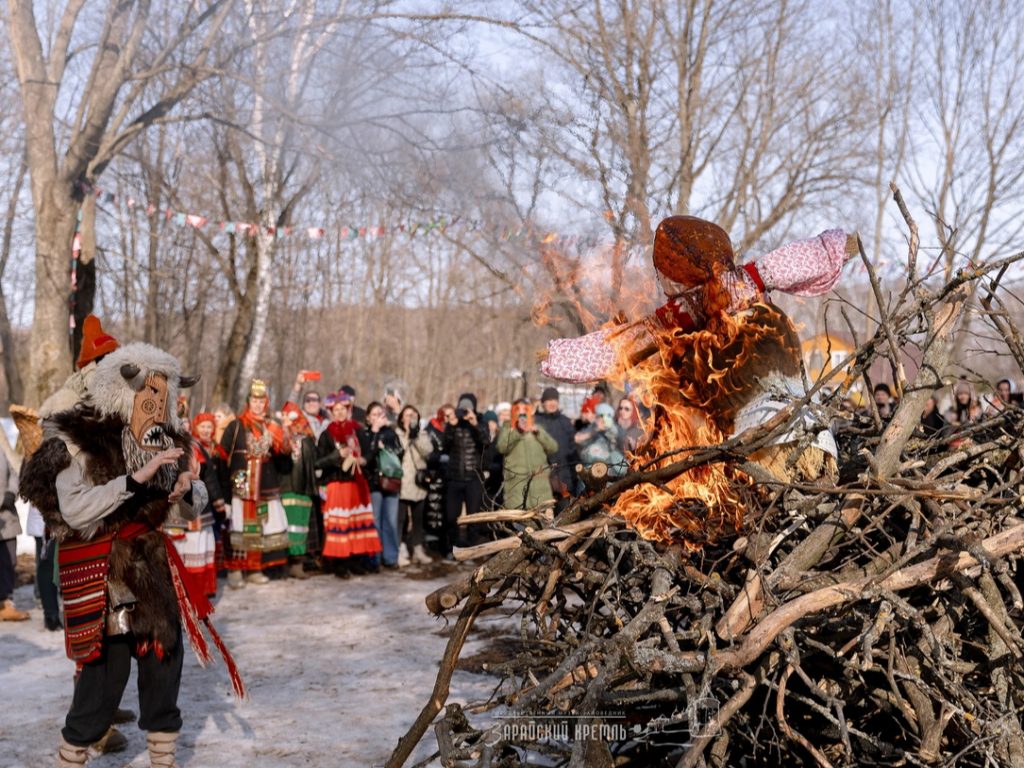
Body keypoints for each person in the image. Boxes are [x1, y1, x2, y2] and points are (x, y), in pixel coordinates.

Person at [17, 342, 242, 768]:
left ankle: (163, 759)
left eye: (163, 395)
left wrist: (185, 489)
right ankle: (72, 756)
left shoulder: (167, 438)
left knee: (164, 657)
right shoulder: (78, 435)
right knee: (105, 676)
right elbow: (76, 509)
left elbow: (190, 503)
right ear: (123, 392)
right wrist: (135, 481)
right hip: (101, 566)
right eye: (148, 394)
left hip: (151, 564)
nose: (156, 406)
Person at [221, 380, 293, 589]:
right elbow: (222, 453)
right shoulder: (237, 425)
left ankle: (254, 568)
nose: (258, 405)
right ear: (248, 402)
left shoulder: (271, 426)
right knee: (239, 525)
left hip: (263, 485)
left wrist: (283, 435)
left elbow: (284, 452)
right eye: (254, 400)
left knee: (258, 526)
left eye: (262, 401)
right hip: (241, 484)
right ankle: (235, 569)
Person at [316, 392, 380, 577]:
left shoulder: (358, 430)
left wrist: (362, 460)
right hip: (337, 482)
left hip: (356, 482)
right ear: (330, 412)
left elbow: (369, 453)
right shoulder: (327, 434)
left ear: (348, 410)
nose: (340, 413)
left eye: (342, 409)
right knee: (340, 524)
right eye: (335, 410)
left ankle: (355, 560)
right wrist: (337, 456)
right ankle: (339, 563)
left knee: (354, 522)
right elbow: (318, 462)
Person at [441, 394, 488, 558]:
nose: (465, 412)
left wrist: (475, 424)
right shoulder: (455, 423)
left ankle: (472, 551)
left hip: (474, 479)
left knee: (473, 518)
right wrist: (451, 425)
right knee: (451, 517)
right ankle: (452, 549)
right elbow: (444, 445)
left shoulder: (480, 422)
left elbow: (486, 443)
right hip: (455, 478)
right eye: (462, 408)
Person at [278, 402, 319, 579]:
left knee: (301, 527)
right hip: (286, 486)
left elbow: (314, 462)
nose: (284, 419)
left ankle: (298, 563)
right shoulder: (279, 436)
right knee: (287, 526)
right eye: (283, 416)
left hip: (304, 488)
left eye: (287, 416)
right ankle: (285, 563)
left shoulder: (308, 437)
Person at [497, 400, 560, 510]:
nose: (522, 416)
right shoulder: (508, 429)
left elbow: (553, 447)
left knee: (542, 524)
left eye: (524, 412)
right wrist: (517, 432)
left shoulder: (537, 428)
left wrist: (538, 434)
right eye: (518, 412)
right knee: (518, 524)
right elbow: (501, 448)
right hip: (516, 487)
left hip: (539, 487)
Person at [363, 401, 404, 568]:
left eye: (380, 414)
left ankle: (391, 558)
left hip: (391, 482)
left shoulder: (390, 433)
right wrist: (374, 433)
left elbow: (400, 452)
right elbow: (366, 457)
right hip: (373, 482)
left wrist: (386, 447)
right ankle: (374, 557)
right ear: (367, 418)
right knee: (375, 521)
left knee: (391, 521)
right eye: (374, 414)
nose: (378, 418)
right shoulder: (365, 433)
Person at [191, 412, 231, 576]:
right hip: (199, 500)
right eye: (203, 427)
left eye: (209, 427)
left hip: (216, 500)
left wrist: (225, 501)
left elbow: (223, 478)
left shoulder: (217, 450)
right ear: (196, 428)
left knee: (216, 533)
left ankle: (218, 568)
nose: (206, 430)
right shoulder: (192, 447)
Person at [395, 405, 433, 565]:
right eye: (408, 415)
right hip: (402, 482)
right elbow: (397, 452)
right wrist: (406, 436)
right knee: (400, 519)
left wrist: (415, 437)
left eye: (414, 415)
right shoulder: (396, 434)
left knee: (418, 520)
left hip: (418, 484)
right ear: (401, 418)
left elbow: (428, 450)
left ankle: (418, 549)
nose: (411, 418)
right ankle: (397, 550)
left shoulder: (422, 434)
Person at [533, 387, 579, 502]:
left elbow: (573, 448)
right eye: (549, 400)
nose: (552, 403)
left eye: (555, 400)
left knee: (564, 516)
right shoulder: (535, 422)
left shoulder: (565, 422)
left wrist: (575, 472)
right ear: (543, 402)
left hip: (564, 477)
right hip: (542, 477)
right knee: (539, 515)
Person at [0, 447, 27, 621]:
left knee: (9, 560)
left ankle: (6, 602)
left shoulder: (0, 451)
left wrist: (11, 492)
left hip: (6, 515)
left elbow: (12, 473)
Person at [575, 402, 627, 478]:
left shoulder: (616, 430)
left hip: (609, 473)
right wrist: (595, 431)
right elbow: (578, 440)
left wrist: (611, 429)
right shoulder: (590, 429)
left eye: (603, 417)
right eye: (599, 416)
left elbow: (623, 443)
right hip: (589, 472)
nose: (601, 419)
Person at [287, 371, 327, 439]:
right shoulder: (299, 419)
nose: (311, 403)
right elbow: (290, 406)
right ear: (303, 404)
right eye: (308, 400)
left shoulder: (327, 421)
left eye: (314, 400)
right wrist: (298, 384)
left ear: (320, 404)